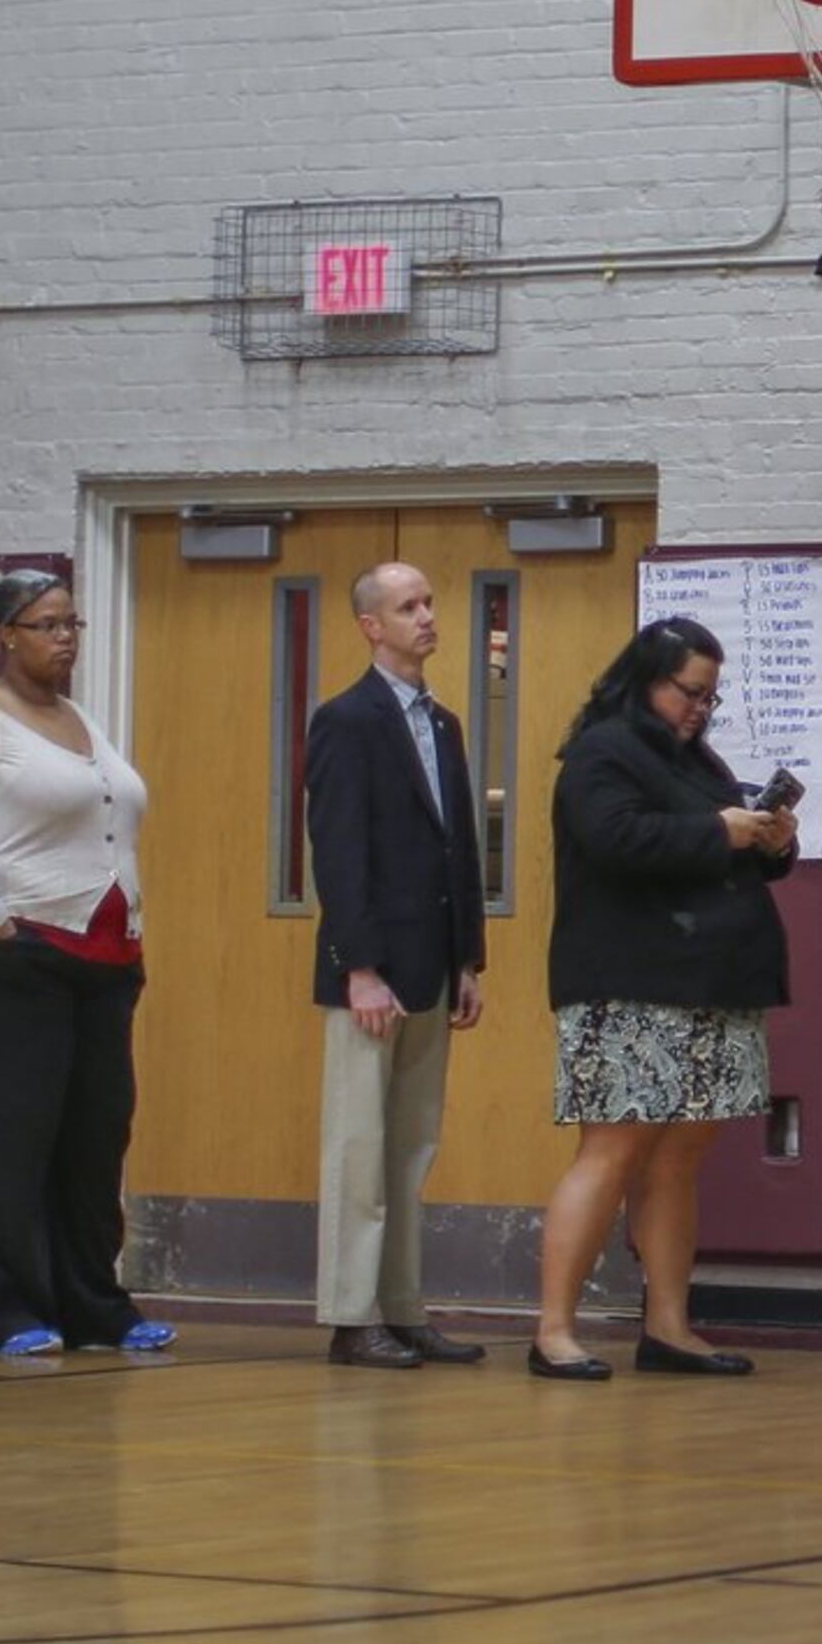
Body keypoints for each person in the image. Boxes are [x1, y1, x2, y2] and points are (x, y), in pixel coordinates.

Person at [0, 566, 170, 1360]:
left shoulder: (81, 719)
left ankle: (93, 1303)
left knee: (93, 1141)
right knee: (4, 1142)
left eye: (72, 624)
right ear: (6, 633)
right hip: (10, 963)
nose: (65, 639)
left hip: (104, 961)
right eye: (48, 625)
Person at [528, 618, 793, 1382]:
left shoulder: (692, 757)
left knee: (680, 1159)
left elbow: (708, 841)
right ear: (646, 680)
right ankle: (554, 1331)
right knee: (610, 1151)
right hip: (628, 985)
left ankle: (670, 1327)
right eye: (689, 692)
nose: (700, 709)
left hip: (706, 982)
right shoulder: (600, 751)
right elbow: (619, 840)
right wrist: (721, 831)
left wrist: (766, 839)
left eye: (711, 696)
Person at [301, 563, 490, 1371]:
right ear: (370, 626)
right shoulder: (347, 720)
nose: (426, 617)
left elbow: (458, 847)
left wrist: (468, 958)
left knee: (411, 1145)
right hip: (371, 972)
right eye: (407, 607)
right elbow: (338, 850)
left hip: (430, 962)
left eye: (429, 602)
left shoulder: (442, 723)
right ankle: (351, 1315)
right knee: (358, 1146)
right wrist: (360, 965)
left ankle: (403, 1307)